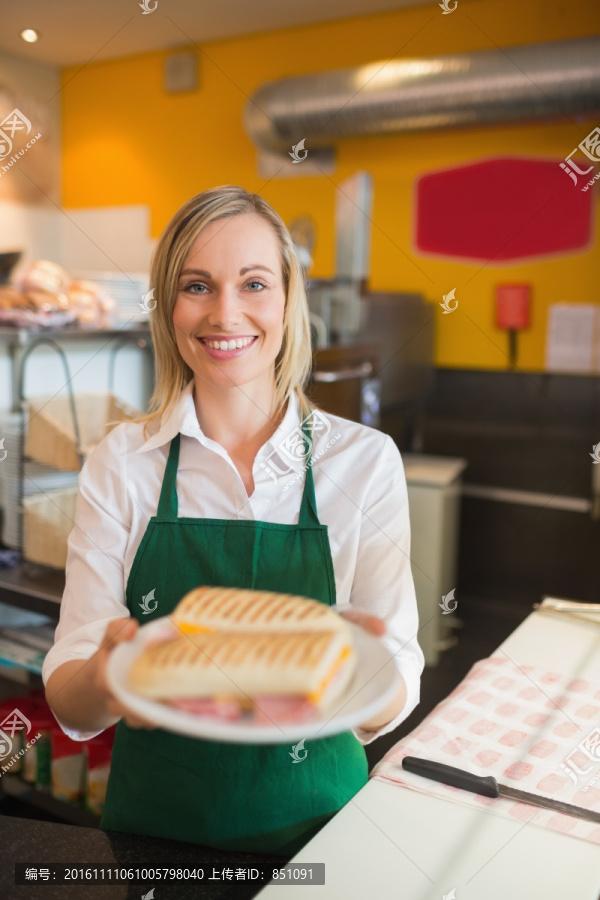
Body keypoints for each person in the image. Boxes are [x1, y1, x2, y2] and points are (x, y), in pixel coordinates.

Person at [43, 185, 424, 856]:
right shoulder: (121, 464)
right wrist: (104, 678)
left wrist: (372, 680)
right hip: (157, 837)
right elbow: (73, 698)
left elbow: (396, 687)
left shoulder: (365, 462)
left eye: (253, 283)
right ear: (168, 304)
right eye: (197, 285)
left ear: (286, 301)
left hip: (324, 836)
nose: (226, 313)